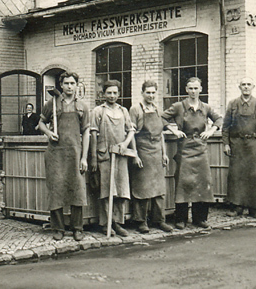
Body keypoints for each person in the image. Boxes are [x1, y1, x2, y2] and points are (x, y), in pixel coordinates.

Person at [162, 77, 223, 229]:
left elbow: (219, 119)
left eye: (196, 88)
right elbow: (161, 118)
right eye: (190, 88)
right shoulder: (178, 106)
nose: (193, 91)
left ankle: (200, 218)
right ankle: (180, 219)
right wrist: (173, 129)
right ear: (186, 89)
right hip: (185, 147)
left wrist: (211, 131)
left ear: (201, 89)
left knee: (202, 183)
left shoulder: (205, 107)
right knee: (184, 183)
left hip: (201, 149)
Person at [37, 72, 90, 241]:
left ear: (76, 85)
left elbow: (86, 132)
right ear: (61, 85)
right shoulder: (52, 103)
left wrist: (84, 157)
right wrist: (49, 133)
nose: (69, 86)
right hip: (55, 154)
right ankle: (58, 228)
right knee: (56, 189)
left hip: (75, 153)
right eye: (66, 83)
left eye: (72, 83)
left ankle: (77, 228)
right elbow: (40, 123)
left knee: (77, 189)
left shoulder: (82, 106)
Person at [90, 80, 140, 237]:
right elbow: (92, 134)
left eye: (115, 93)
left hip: (120, 156)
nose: (112, 96)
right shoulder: (98, 111)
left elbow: (131, 130)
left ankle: (118, 223)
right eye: (109, 93)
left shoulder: (123, 111)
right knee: (106, 191)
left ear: (119, 94)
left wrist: (125, 144)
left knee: (120, 189)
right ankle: (106, 224)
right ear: (104, 94)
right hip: (104, 155)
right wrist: (93, 158)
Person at [129, 80, 174, 233]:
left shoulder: (157, 109)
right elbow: (132, 134)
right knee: (142, 189)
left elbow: (160, 133)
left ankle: (159, 220)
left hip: (156, 152)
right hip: (142, 151)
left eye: (153, 92)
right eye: (148, 92)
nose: (151, 95)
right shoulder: (135, 110)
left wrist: (164, 153)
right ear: (142, 93)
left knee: (159, 189)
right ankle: (141, 221)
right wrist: (135, 155)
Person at [222, 77, 256, 221]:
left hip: (253, 144)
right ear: (239, 87)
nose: (246, 87)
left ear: (253, 86)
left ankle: (255, 209)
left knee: (254, 177)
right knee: (236, 175)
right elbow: (225, 127)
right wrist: (226, 144)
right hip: (236, 144)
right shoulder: (233, 104)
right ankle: (237, 207)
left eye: (249, 84)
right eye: (243, 84)